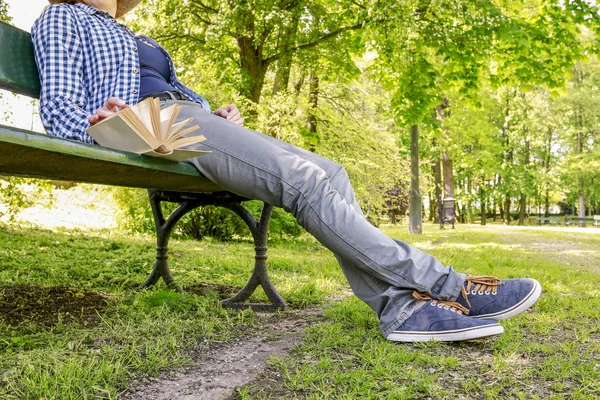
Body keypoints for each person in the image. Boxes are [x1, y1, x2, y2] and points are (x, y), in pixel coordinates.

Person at [31, 0, 542, 343]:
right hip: (147, 126)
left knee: (332, 173)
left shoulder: (132, 33)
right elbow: (60, 107)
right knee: (304, 179)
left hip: (185, 122)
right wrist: (96, 126)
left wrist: (213, 111)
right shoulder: (63, 19)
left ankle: (400, 310)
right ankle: (451, 286)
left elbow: (176, 92)